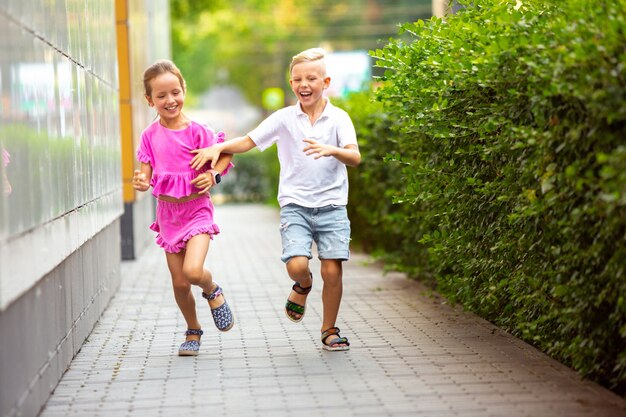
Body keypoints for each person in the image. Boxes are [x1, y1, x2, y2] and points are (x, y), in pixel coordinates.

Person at [190, 48, 361, 351]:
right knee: (296, 264)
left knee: (332, 270)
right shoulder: (284, 118)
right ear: (291, 83)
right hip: (295, 206)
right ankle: (303, 284)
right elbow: (248, 140)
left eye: (311, 78)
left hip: (332, 206)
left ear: (326, 82)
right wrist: (218, 148)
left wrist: (330, 150)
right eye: (297, 79)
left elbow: (354, 156)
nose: (303, 84)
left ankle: (329, 329)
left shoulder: (339, 118)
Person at [132, 59, 235, 356]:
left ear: (183, 91)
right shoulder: (150, 136)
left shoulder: (199, 132)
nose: (170, 100)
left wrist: (212, 174)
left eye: (174, 92)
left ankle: (212, 289)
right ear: (149, 100)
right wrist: (141, 182)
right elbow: (145, 174)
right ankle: (193, 329)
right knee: (179, 284)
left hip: (197, 211)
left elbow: (225, 153)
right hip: (168, 216)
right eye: (161, 96)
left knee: (192, 271)